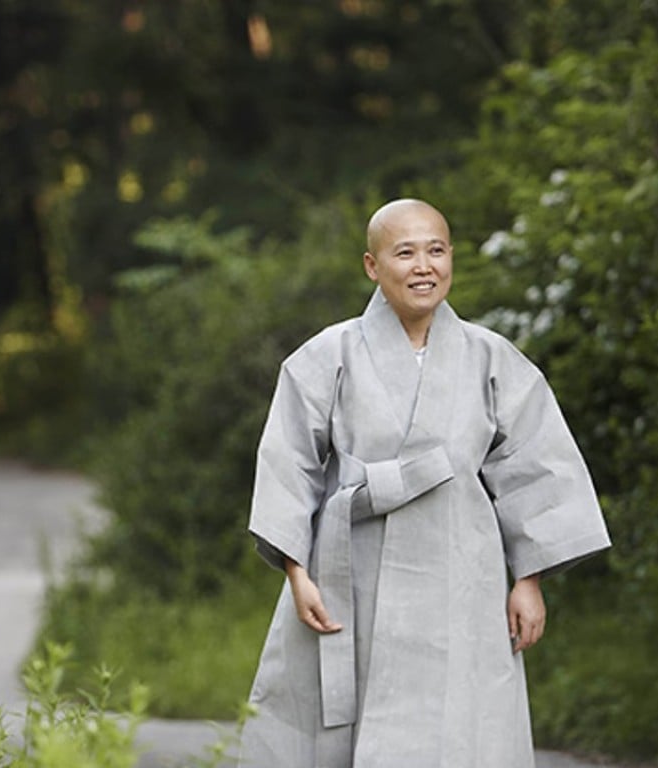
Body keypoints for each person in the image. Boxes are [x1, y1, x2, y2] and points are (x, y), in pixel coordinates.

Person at [238, 199, 611, 768]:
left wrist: (528, 579)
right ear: (372, 265)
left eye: (435, 250)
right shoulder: (325, 357)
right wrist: (297, 572)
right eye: (404, 251)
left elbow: (536, 465)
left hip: (461, 573)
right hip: (352, 572)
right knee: (332, 728)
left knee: (462, 724)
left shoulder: (490, 358)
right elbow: (289, 463)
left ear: (451, 258)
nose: (423, 265)